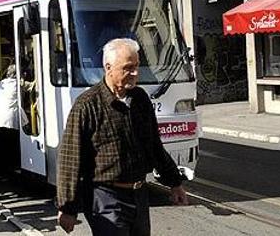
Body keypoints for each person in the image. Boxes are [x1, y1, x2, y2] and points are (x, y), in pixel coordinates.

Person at [56, 38, 188, 235]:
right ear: (108, 67)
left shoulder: (140, 99)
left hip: (139, 195)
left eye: (136, 66)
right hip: (106, 198)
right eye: (128, 68)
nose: (135, 73)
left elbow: (154, 146)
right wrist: (67, 208)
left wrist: (175, 183)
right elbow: (70, 159)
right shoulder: (87, 105)